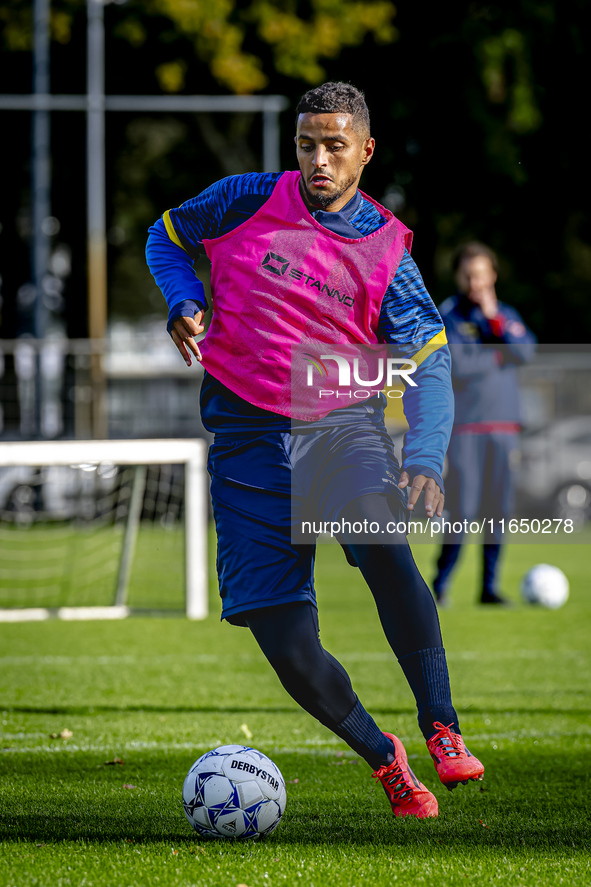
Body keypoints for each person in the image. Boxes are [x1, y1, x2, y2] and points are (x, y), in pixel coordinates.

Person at [146, 82, 484, 820]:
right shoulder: (243, 198)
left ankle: (441, 726)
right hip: (243, 440)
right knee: (286, 641)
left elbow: (428, 358)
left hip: (340, 424)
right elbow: (166, 236)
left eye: (334, 145)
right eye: (307, 144)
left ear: (365, 150)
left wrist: (424, 456)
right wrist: (183, 299)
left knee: (383, 544)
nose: (319, 160)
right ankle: (385, 758)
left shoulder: (386, 248)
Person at [433, 242, 537, 606]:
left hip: (504, 429)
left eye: (481, 274)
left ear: (492, 275)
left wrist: (495, 322)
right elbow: (459, 367)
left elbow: (525, 351)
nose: (475, 282)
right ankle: (441, 583)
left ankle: (488, 588)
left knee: (499, 511)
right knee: (462, 510)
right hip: (466, 429)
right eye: (468, 275)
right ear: (459, 277)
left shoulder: (504, 314)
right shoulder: (449, 315)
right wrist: (498, 354)